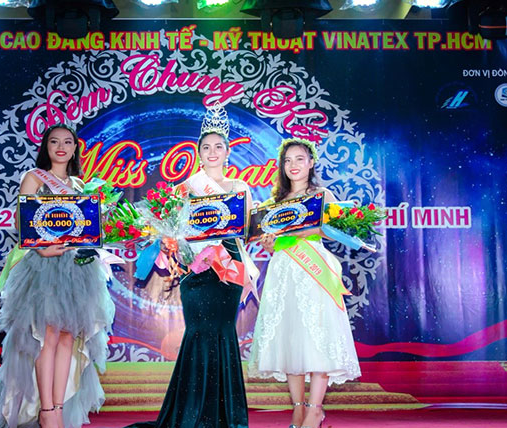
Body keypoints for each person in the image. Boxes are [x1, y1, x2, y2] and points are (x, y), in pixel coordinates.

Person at [0, 123, 115, 428]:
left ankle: (58, 408)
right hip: (44, 267)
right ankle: (46, 410)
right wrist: (42, 249)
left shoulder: (80, 185)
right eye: (54, 141)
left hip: (76, 269)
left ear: (75, 148)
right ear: (46, 147)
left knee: (69, 337)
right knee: (47, 337)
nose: (61, 147)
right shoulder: (34, 177)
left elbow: (85, 226)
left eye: (67, 142)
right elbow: (23, 222)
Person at [127, 105, 258, 428]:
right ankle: (191, 413)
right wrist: (172, 244)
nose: (212, 152)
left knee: (223, 332)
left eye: (218, 146)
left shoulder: (240, 188)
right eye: (206, 147)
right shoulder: (184, 188)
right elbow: (172, 230)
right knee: (198, 332)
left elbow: (246, 231)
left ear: (228, 152)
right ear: (198, 153)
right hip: (196, 271)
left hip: (228, 267)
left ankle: (224, 415)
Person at [247, 138, 361, 428]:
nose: (293, 165)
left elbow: (335, 230)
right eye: (287, 160)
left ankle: (315, 410)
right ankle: (297, 409)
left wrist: (302, 230)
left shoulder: (323, 195)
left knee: (317, 337)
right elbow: (271, 244)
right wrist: (269, 242)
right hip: (283, 270)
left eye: (299, 159)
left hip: (314, 269)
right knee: (291, 339)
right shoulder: (274, 202)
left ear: (311, 163)